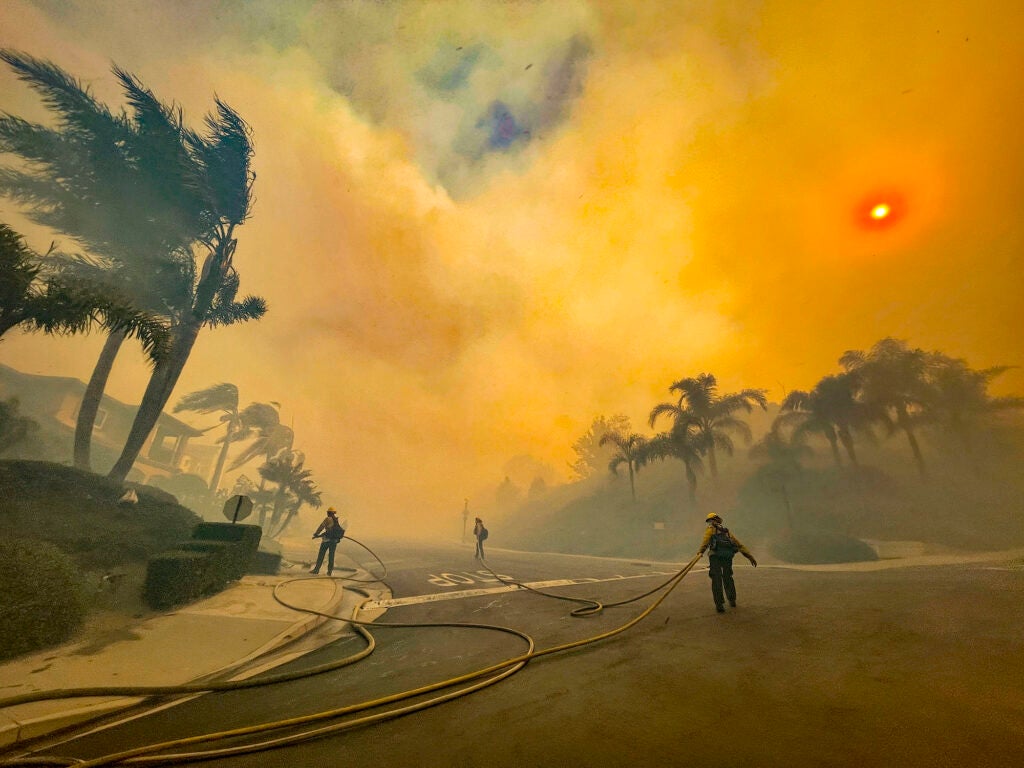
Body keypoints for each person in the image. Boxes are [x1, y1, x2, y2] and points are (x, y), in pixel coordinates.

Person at [697, 512, 757, 613]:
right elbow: (738, 544)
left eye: (710, 521)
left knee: (716, 579)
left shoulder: (710, 529)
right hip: (727, 557)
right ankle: (732, 599)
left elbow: (705, 541)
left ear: (713, 521)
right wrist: (749, 556)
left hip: (715, 556)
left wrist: (700, 552)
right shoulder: (726, 532)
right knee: (727, 577)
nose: (710, 523)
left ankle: (719, 604)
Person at [309, 507, 345, 576]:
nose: (327, 513)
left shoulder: (328, 519)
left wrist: (316, 534)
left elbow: (321, 527)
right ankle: (329, 572)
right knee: (331, 556)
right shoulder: (336, 520)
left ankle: (316, 570)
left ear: (329, 513)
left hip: (326, 540)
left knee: (321, 555)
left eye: (328, 512)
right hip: (334, 541)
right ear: (334, 513)